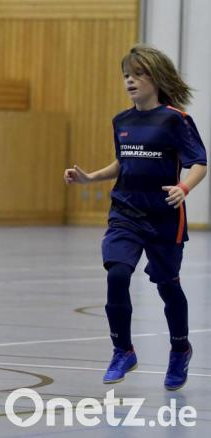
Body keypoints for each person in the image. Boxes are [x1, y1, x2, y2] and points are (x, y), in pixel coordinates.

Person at [64, 44, 206, 391]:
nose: (130, 80)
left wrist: (183, 189)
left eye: (137, 74)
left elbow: (199, 163)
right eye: (126, 74)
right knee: (117, 273)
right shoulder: (122, 121)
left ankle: (179, 349)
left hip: (164, 218)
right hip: (125, 212)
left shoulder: (176, 119)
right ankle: (122, 350)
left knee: (167, 285)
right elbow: (123, 162)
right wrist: (91, 178)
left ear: (154, 78)